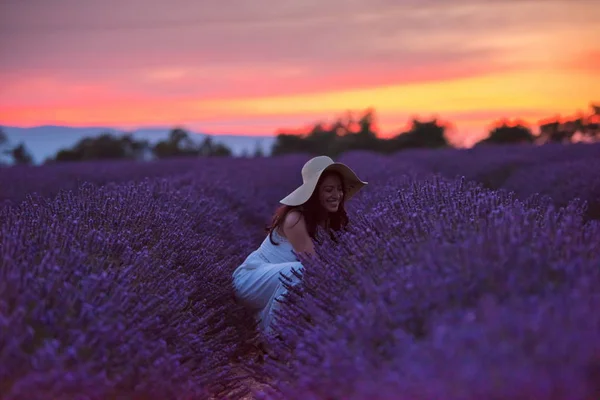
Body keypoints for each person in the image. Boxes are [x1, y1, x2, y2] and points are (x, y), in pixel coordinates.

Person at [231, 155, 368, 339]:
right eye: (329, 190)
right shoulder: (294, 218)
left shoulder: (328, 222)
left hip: (278, 283)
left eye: (339, 189)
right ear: (313, 193)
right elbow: (315, 268)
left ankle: (280, 334)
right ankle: (273, 342)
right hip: (250, 280)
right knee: (302, 272)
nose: (336, 195)